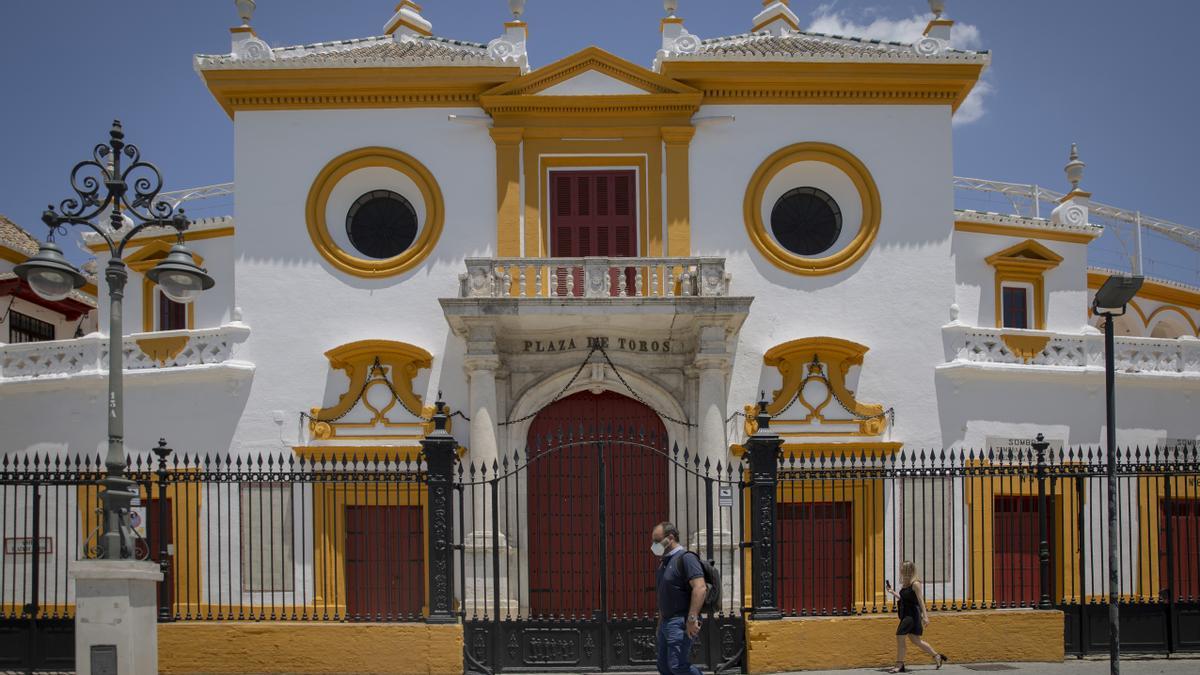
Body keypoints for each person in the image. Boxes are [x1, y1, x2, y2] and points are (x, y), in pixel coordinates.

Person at [651, 521, 706, 675]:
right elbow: (665, 595)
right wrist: (660, 622)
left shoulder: (686, 558)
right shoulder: (664, 562)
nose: (654, 545)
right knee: (664, 666)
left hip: (680, 621)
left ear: (670, 538)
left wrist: (692, 619)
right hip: (666, 623)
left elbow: (700, 587)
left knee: (677, 666)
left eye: (657, 540)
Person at [885, 561, 947, 673]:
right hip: (906, 614)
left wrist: (925, 616)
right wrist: (892, 592)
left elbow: (920, 601)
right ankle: (937, 656)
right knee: (916, 640)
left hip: (912, 615)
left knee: (900, 636)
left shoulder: (915, 584)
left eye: (902, 568)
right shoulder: (906, 583)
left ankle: (899, 664)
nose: (900, 570)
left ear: (908, 569)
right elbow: (904, 599)